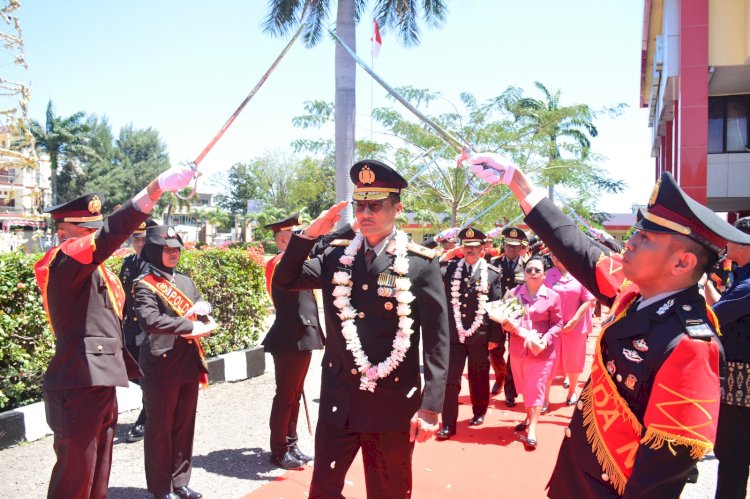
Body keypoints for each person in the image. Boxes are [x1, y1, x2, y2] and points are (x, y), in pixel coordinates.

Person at [468, 152, 750, 497]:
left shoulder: (692, 344)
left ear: (682, 262)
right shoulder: (636, 293)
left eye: (645, 239)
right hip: (576, 477)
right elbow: (576, 248)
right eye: (636, 233)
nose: (629, 242)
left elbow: (664, 470)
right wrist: (517, 180)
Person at [273, 159, 449, 498]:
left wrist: (431, 405)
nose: (366, 212)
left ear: (397, 208)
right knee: (323, 491)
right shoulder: (336, 257)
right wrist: (309, 235)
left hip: (392, 402)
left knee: (389, 492)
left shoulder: (420, 264)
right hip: (341, 397)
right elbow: (285, 279)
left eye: (376, 205)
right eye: (360, 205)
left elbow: (439, 340)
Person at [33, 164, 197, 499]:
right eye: (87, 231)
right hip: (79, 381)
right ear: (64, 233)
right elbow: (110, 234)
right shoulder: (64, 259)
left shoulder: (89, 270)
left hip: (98, 379)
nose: (94, 237)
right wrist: (154, 190)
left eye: (95, 229)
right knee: (74, 480)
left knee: (96, 477)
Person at [133, 224, 216, 499]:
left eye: (176, 250)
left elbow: (198, 304)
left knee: (184, 425)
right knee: (160, 429)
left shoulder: (185, 281)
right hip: (160, 363)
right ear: (155, 252)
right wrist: (187, 323)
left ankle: (180, 481)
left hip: (187, 361)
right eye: (167, 250)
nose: (173, 255)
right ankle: (160, 488)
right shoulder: (143, 284)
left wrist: (204, 310)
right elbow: (151, 321)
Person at [262, 212, 325, 470]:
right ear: (283, 240)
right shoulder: (280, 263)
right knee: (285, 396)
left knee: (295, 395)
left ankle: (291, 443)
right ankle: (278, 449)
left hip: (303, 335)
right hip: (290, 336)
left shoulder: (299, 262)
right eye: (294, 237)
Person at [436, 228, 504, 440]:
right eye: (466, 246)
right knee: (451, 379)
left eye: (474, 247)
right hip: (455, 335)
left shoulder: (492, 273)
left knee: (478, 376)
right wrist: (446, 255)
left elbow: (496, 306)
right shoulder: (452, 268)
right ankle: (448, 423)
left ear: (483, 249)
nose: (470, 250)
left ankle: (479, 411)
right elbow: (432, 271)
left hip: (480, 335)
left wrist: (495, 337)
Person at [704, 216, 750, 499]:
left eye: (732, 236)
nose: (727, 241)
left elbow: (715, 316)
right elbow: (719, 307)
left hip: (742, 380)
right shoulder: (741, 276)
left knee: (734, 457)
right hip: (737, 378)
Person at [494, 256, 562, 449]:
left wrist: (546, 339)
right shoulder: (513, 294)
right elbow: (505, 321)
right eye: (529, 270)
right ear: (524, 273)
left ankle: (532, 428)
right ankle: (528, 415)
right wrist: (507, 326)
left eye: (537, 270)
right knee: (524, 387)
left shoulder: (552, 296)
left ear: (544, 274)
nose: (533, 273)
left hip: (541, 349)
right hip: (518, 349)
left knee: (537, 387)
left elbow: (558, 324)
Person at [120, 218, 158, 443]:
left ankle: (146, 418)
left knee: (146, 376)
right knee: (133, 373)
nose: (139, 243)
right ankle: (155, 405)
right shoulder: (127, 263)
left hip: (149, 330)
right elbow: (124, 298)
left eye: (144, 239)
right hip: (131, 329)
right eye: (136, 238)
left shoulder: (155, 265)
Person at [545, 252, 596, 406]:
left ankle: (572, 392)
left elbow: (588, 300)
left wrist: (574, 320)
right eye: (552, 254)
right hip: (552, 327)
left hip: (576, 326)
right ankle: (545, 399)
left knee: (574, 361)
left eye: (558, 253)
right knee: (548, 362)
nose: (556, 256)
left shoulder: (579, 274)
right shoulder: (546, 275)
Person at [489, 226, 528, 405]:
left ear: (521, 247)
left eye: (515, 246)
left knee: (514, 352)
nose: (511, 249)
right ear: (503, 245)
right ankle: (500, 377)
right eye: (508, 245)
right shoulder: (493, 263)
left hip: (517, 312)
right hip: (496, 311)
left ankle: (510, 392)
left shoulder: (528, 266)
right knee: (495, 351)